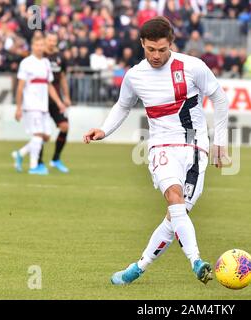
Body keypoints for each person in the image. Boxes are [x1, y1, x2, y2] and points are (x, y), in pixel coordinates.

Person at [83, 17, 230, 285]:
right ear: (142, 44)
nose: (156, 55)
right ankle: (196, 261)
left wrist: (220, 142)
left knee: (176, 215)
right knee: (174, 199)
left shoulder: (192, 67)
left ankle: (138, 267)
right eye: (151, 49)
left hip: (195, 145)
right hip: (161, 145)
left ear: (170, 43)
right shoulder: (135, 75)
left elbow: (220, 98)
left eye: (162, 49)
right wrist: (104, 129)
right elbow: (123, 105)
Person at [12, 34, 66, 175]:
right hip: (31, 104)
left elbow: (50, 86)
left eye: (42, 45)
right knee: (37, 135)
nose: (40, 47)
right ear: (32, 47)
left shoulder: (46, 63)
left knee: (46, 136)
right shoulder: (26, 63)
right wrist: (18, 107)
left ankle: (20, 153)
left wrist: (59, 102)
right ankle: (34, 167)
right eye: (37, 45)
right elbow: (20, 87)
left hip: (44, 105)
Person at [38, 31, 72, 173]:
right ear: (45, 41)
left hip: (56, 99)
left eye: (54, 40)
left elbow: (63, 77)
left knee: (64, 126)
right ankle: (38, 162)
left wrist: (67, 97)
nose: (52, 43)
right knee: (40, 133)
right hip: (40, 99)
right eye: (50, 40)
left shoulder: (60, 57)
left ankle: (56, 159)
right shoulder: (40, 56)